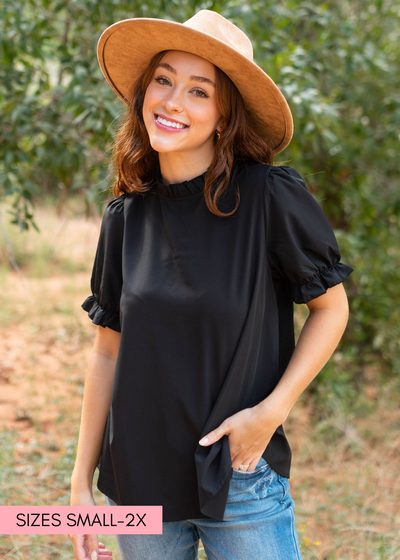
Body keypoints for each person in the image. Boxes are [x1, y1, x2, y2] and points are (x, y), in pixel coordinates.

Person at [69, 9, 353, 560]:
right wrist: (81, 484)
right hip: (138, 482)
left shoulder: (268, 197)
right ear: (144, 93)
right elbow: (107, 353)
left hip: (239, 476)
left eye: (200, 92)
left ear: (224, 116)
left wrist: (271, 413)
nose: (173, 102)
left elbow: (331, 309)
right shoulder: (125, 218)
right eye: (164, 80)